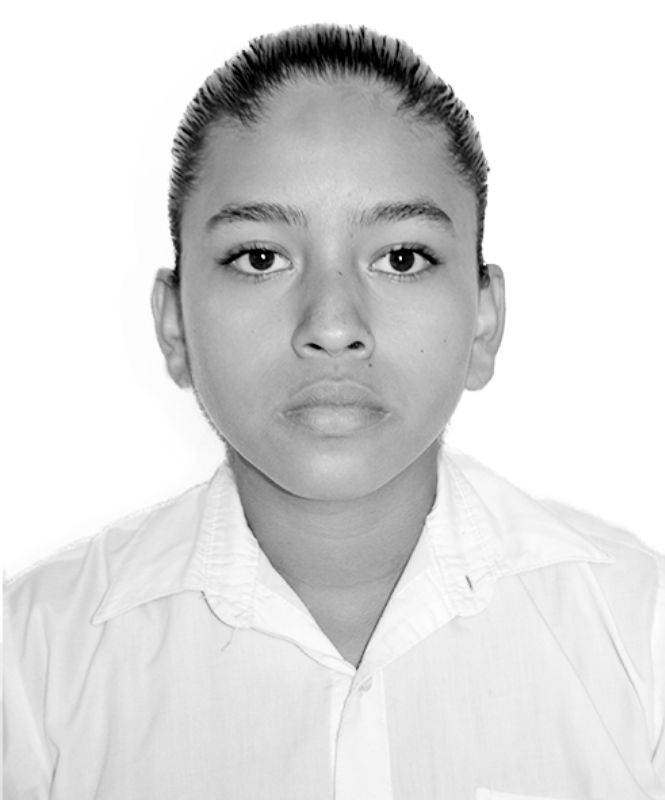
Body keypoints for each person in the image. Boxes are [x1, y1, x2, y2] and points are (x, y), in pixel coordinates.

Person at [4, 22, 664, 800]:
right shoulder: (31, 664)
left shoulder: (640, 633)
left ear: (483, 322)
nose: (331, 325)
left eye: (401, 258)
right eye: (259, 258)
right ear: (174, 325)